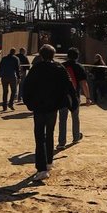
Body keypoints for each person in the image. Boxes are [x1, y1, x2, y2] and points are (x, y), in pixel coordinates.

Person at [21, 44, 78, 180]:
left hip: (39, 107)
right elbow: (69, 85)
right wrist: (73, 103)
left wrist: (28, 103)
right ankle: (49, 162)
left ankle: (41, 169)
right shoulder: (59, 68)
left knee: (39, 136)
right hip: (53, 107)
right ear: (53, 55)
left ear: (41, 55)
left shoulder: (36, 68)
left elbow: (26, 86)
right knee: (50, 134)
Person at [58, 47, 91, 148]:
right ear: (77, 56)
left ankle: (61, 142)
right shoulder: (79, 67)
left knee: (62, 119)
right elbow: (83, 83)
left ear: (67, 56)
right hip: (74, 96)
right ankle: (76, 137)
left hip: (63, 96)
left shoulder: (61, 66)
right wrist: (88, 97)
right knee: (75, 117)